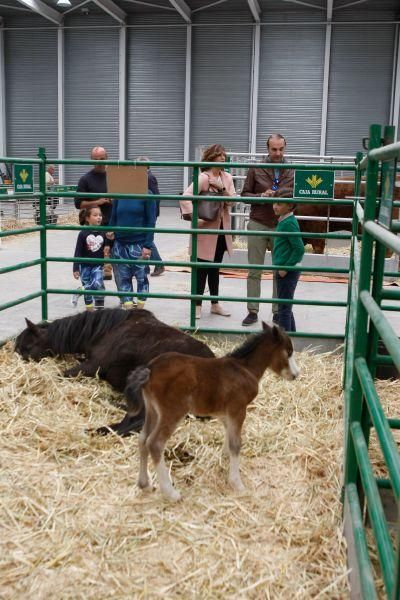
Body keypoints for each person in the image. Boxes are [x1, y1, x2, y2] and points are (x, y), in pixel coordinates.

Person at [241, 134, 294, 326]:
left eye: (281, 149)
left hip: (281, 225)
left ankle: (277, 311)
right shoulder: (256, 168)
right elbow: (244, 195)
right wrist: (261, 196)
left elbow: (296, 196)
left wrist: (283, 197)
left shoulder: (292, 169)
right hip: (258, 222)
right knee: (254, 269)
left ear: (285, 148)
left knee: (279, 270)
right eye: (274, 149)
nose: (278, 153)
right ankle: (252, 310)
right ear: (267, 148)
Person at [180, 144, 235, 320]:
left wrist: (221, 188)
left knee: (215, 268)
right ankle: (196, 305)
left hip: (220, 230)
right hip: (205, 230)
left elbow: (232, 202)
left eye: (224, 155)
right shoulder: (203, 178)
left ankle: (215, 304)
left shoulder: (227, 177)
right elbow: (186, 197)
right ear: (211, 158)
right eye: (220, 155)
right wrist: (195, 218)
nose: (223, 158)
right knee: (201, 268)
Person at [107, 189, 157, 309]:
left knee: (141, 278)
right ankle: (128, 310)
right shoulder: (119, 194)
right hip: (120, 245)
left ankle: (140, 309)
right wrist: (110, 232)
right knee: (124, 279)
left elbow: (151, 221)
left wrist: (148, 245)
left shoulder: (147, 194)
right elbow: (114, 217)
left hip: (139, 245)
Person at [75, 146, 113, 280]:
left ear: (107, 158)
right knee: (95, 256)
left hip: (113, 220)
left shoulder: (114, 177)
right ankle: (96, 288)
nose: (99, 162)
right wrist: (98, 201)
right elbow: (78, 204)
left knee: (116, 257)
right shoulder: (85, 179)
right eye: (96, 159)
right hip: (94, 226)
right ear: (91, 160)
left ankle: (123, 294)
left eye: (102, 159)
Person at [272, 201, 305, 331]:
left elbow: (299, 248)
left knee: (284, 310)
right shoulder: (284, 220)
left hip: (286, 270)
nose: (274, 206)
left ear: (290, 206)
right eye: (274, 203)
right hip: (283, 268)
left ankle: (284, 344)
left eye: (279, 204)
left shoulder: (289, 223)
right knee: (285, 307)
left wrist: (286, 267)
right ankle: (291, 337)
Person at [72, 207, 110, 311]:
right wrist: (75, 268)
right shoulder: (83, 233)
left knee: (97, 283)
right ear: (87, 218)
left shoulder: (104, 232)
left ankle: (81, 292)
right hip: (84, 266)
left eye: (100, 215)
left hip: (98, 265)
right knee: (88, 292)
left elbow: (107, 245)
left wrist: (109, 243)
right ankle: (89, 313)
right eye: (95, 215)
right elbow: (78, 251)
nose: (99, 217)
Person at [136, 156, 165, 277]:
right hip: (145, 212)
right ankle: (146, 266)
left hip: (148, 212)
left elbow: (155, 196)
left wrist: (152, 213)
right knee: (143, 238)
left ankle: (158, 263)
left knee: (146, 239)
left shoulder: (149, 177)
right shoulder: (143, 176)